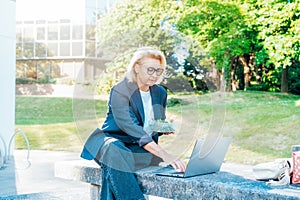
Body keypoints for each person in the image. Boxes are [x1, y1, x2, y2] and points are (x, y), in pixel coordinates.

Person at [80, 46, 186, 200]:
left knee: (114, 169)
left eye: (159, 71)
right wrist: (167, 156)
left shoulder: (160, 92)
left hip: (136, 151)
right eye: (150, 70)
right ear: (137, 67)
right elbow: (133, 129)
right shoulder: (120, 91)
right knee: (113, 150)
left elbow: (150, 125)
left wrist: (163, 127)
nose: (155, 75)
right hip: (112, 145)